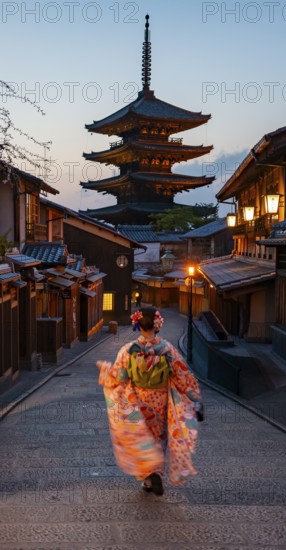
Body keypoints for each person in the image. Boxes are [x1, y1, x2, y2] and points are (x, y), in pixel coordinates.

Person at [97, 307, 202, 496]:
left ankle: (148, 475)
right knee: (158, 439)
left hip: (138, 401)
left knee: (141, 439)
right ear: (157, 324)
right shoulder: (167, 349)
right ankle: (155, 474)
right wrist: (195, 399)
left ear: (138, 325)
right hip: (159, 402)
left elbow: (118, 376)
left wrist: (105, 372)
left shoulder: (128, 350)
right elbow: (182, 376)